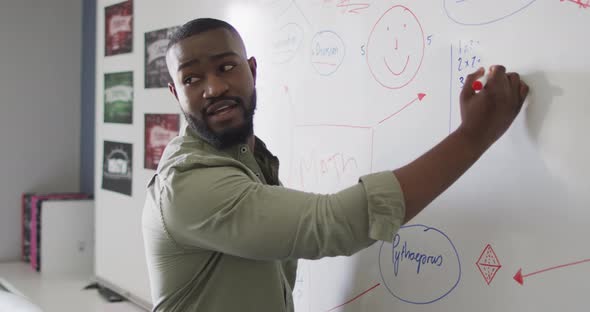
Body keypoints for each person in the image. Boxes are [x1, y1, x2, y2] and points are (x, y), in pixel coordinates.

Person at [142, 18, 529, 312]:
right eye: (192, 78)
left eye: (226, 67)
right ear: (176, 93)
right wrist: (474, 136)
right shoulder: (187, 185)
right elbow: (330, 224)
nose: (213, 87)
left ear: (252, 70)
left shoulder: (248, 157)